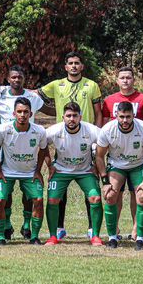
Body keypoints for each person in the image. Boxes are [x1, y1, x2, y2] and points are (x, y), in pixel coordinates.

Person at [38, 51, 102, 240]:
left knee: (90, 188)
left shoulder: (92, 85)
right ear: (65, 67)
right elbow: (36, 97)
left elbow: (98, 111)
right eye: (70, 63)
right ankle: (58, 228)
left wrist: (96, 134)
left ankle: (92, 228)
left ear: (82, 66)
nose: (74, 66)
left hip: (86, 137)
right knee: (60, 188)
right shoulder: (57, 85)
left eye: (77, 63)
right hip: (63, 138)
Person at [0, 65, 45, 240]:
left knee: (30, 195)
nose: (16, 80)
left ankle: (27, 226)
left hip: (28, 148)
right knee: (6, 194)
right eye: (13, 77)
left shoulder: (32, 97)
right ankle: (7, 225)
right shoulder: (1, 95)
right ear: (8, 78)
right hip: (7, 148)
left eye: (20, 77)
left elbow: (46, 107)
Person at [102, 66, 143, 240]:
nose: (125, 80)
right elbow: (103, 129)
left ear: (134, 79)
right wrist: (104, 179)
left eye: (129, 77)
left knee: (138, 194)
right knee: (113, 194)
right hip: (117, 160)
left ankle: (136, 230)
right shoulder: (109, 101)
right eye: (122, 77)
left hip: (137, 157)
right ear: (117, 80)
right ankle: (113, 231)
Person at [95, 102, 143, 250]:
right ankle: (112, 237)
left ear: (133, 116)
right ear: (116, 115)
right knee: (110, 195)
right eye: (121, 117)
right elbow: (99, 157)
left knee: (142, 196)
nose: (124, 120)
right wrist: (105, 182)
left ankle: (140, 239)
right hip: (116, 165)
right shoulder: (107, 129)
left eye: (128, 117)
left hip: (138, 164)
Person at [44, 102, 102, 246]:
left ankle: (95, 235)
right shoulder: (54, 130)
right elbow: (41, 144)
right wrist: (49, 165)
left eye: (75, 116)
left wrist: (97, 164)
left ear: (80, 117)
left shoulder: (91, 130)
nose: (71, 119)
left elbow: (104, 144)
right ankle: (53, 236)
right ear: (63, 117)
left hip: (85, 170)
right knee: (52, 200)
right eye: (68, 116)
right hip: (61, 170)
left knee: (95, 198)